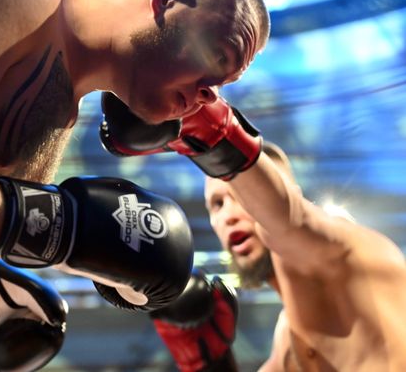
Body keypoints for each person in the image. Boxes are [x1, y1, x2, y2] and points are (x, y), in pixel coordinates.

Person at [0, 0, 270, 368]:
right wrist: (66, 235)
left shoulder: (62, 105)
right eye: (220, 54)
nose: (210, 95)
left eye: (223, 83)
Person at [98, 93, 406, 370]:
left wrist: (206, 131)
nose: (229, 215)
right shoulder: (289, 343)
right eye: (217, 204)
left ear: (290, 192)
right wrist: (209, 362)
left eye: (239, 197)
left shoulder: (347, 251)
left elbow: (289, 220)